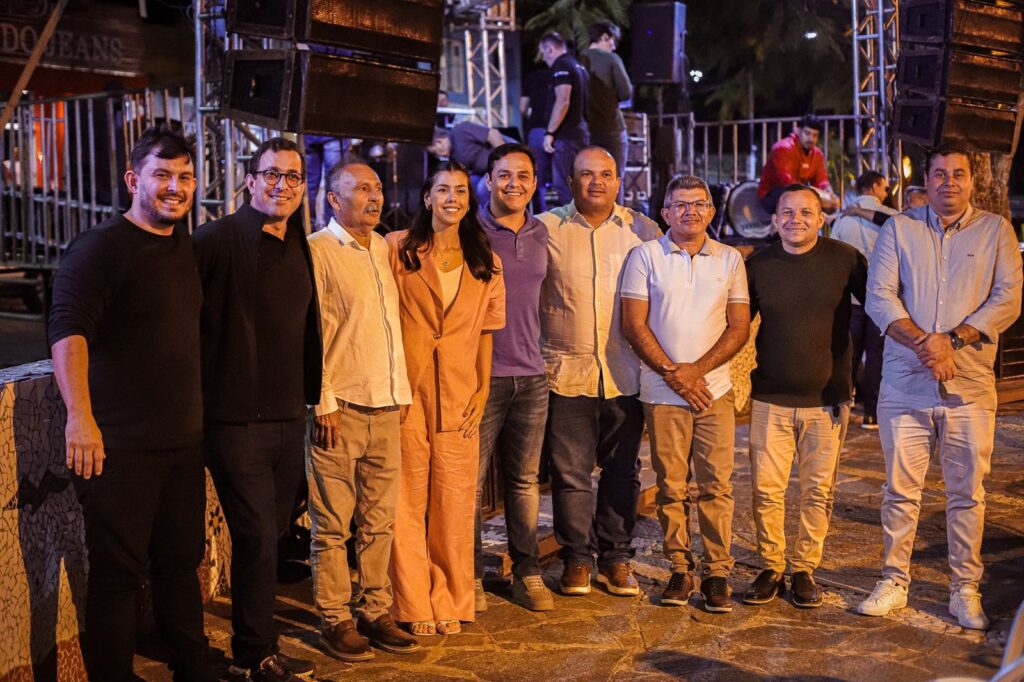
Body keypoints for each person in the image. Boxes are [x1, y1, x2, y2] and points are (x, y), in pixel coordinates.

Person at [48, 126, 212, 681]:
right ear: (132, 180)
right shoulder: (100, 247)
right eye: (161, 175)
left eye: (185, 176)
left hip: (182, 444)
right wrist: (80, 418)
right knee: (117, 579)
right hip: (118, 448)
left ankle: (193, 667)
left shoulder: (183, 244)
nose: (175, 187)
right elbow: (67, 331)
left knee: (180, 566)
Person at [857, 143, 1023, 630]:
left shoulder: (996, 230)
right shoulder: (899, 229)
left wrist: (951, 340)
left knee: (967, 493)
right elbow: (879, 295)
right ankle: (894, 580)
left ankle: (964, 588)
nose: (949, 182)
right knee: (899, 490)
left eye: (958, 174)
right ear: (925, 180)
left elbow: (1008, 298)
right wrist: (926, 344)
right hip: (904, 385)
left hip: (968, 385)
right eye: (939, 174)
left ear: (972, 180)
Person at [193, 137, 322, 681]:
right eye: (271, 174)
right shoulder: (215, 240)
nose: (282, 185)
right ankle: (257, 652)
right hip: (235, 420)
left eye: (293, 177)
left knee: (271, 537)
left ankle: (258, 646)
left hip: (290, 417)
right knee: (256, 536)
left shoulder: (300, 243)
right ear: (250, 180)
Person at [306, 162, 420, 661]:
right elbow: (312, 332)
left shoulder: (381, 248)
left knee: (380, 521)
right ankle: (335, 618)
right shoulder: (317, 250)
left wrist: (401, 392)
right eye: (361, 189)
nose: (374, 198)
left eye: (377, 188)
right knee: (332, 524)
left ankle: (375, 610)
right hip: (341, 407)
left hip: (386, 403)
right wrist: (322, 401)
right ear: (333, 199)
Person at [621, 175, 750, 613]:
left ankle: (717, 572)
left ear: (711, 211)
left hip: (714, 390)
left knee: (716, 485)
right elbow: (633, 324)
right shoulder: (645, 256)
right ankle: (680, 566)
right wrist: (675, 375)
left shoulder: (729, 259)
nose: (690, 211)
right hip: (661, 391)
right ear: (665, 213)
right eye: (680, 204)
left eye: (698, 204)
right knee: (671, 486)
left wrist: (696, 372)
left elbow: (739, 326)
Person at [387, 160, 505, 637]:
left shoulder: (485, 259)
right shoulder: (398, 248)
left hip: (459, 393)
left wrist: (482, 388)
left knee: (454, 504)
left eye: (459, 190)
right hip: (407, 390)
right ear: (427, 197)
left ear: (469, 200)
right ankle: (412, 601)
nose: (451, 198)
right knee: (405, 502)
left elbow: (488, 332)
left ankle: (451, 598)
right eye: (442, 189)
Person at [538, 146, 661, 598]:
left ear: (618, 181)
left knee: (622, 470)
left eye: (606, 174)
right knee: (570, 474)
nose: (596, 182)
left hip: (624, 372)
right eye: (586, 174)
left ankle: (616, 558)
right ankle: (576, 559)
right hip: (565, 371)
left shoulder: (643, 230)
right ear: (571, 181)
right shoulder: (545, 229)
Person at [744, 184, 867, 609]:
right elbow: (736, 326)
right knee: (767, 489)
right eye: (787, 212)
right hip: (770, 397)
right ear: (774, 220)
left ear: (821, 219)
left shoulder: (845, 260)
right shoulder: (758, 265)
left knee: (818, 490)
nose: (796, 219)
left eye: (805, 212)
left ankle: (804, 568)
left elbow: (882, 307)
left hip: (827, 399)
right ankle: (771, 565)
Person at [472, 143, 556, 612]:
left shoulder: (542, 231)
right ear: (488, 181)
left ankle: (527, 573)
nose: (514, 183)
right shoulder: (468, 231)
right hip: (480, 378)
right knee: (469, 482)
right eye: (504, 175)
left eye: (523, 176)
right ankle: (467, 578)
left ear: (535, 182)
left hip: (532, 376)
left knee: (524, 483)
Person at [831, 170, 897, 430]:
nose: (886, 193)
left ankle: (841, 410)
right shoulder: (891, 217)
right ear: (876, 186)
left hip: (850, 298)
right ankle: (872, 413)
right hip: (882, 297)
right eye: (886, 188)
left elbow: (834, 257)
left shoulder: (842, 220)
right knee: (877, 355)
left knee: (849, 354)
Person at [539, 31, 590, 206]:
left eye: (543, 53)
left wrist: (550, 132)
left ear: (550, 49)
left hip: (567, 136)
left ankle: (571, 223)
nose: (543, 58)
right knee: (578, 185)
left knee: (565, 186)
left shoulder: (561, 66)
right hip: (580, 133)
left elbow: (563, 100)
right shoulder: (578, 66)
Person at [579, 21, 632, 182]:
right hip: (612, 127)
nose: (613, 47)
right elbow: (626, 93)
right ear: (604, 37)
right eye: (613, 41)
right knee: (615, 179)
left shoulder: (578, 60)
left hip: (587, 130)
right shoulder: (611, 59)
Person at [757, 115, 839, 214]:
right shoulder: (783, 148)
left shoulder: (817, 154)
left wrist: (828, 192)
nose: (811, 139)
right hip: (773, 195)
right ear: (798, 131)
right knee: (798, 199)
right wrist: (816, 194)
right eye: (807, 133)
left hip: (800, 193)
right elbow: (787, 181)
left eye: (815, 135)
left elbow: (821, 179)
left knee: (832, 204)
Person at [428, 123, 514, 204]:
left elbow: (492, 133)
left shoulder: (460, 131)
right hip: (487, 171)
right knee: (468, 190)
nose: (438, 155)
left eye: (435, 152)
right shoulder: (452, 158)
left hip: (506, 155)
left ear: (440, 141)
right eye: (435, 155)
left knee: (481, 189)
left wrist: (505, 159)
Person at [521, 67, 554, 214]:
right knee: (563, 177)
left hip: (537, 130)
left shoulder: (532, 77)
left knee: (537, 179)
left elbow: (523, 108)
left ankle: (540, 217)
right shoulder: (564, 73)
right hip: (562, 132)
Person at [304, 134, 345, 229]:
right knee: (334, 183)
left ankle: (307, 228)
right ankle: (332, 230)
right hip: (334, 132)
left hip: (308, 132)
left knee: (309, 185)